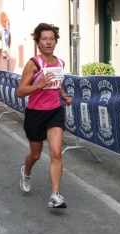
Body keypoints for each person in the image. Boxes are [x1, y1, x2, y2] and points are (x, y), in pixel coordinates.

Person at [17, 23, 73, 208]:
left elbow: (57, 83)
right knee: (36, 155)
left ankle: (55, 195)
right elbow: (21, 91)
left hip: (54, 111)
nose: (48, 42)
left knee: (56, 153)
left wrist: (63, 95)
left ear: (55, 41)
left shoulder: (60, 63)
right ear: (38, 43)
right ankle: (26, 171)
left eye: (51, 39)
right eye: (44, 39)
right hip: (35, 113)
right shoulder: (33, 64)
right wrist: (38, 85)